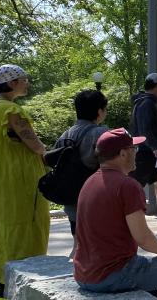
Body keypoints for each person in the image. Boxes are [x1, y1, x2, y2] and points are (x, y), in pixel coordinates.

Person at [74, 128, 157, 299]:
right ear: (123, 154)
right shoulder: (127, 186)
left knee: (153, 291)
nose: (136, 153)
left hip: (84, 274)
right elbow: (143, 238)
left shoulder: (90, 182)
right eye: (133, 149)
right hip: (113, 274)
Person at [0, 65, 50, 296]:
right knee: (25, 223)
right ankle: (23, 278)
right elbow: (35, 144)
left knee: (1, 224)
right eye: (24, 79)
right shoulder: (10, 109)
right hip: (17, 177)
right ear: (13, 82)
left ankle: (3, 282)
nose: (27, 83)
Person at [53, 89, 109, 237]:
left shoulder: (65, 135)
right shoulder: (102, 134)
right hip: (96, 203)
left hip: (71, 201)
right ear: (99, 111)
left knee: (79, 245)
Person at [130, 73, 157, 213]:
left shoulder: (142, 102)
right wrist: (155, 147)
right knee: (138, 185)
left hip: (146, 151)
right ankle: (132, 214)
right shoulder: (147, 104)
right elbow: (146, 129)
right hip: (148, 153)